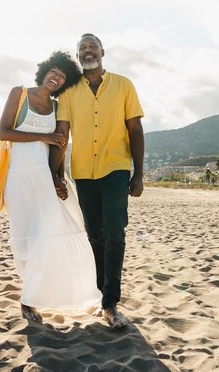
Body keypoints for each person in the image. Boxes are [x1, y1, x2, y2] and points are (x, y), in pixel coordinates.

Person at [49, 34, 145, 329]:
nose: (87, 51)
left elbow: (135, 129)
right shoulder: (68, 92)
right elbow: (62, 135)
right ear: (78, 56)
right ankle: (103, 294)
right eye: (82, 48)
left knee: (115, 231)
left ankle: (110, 303)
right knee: (94, 235)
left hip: (115, 167)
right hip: (83, 171)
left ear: (102, 52)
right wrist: (57, 174)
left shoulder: (124, 85)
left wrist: (138, 173)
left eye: (92, 46)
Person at [0, 51, 101, 322]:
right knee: (24, 239)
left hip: (44, 177)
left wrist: (59, 177)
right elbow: (4, 133)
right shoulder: (19, 94)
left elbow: (60, 145)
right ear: (44, 70)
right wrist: (43, 135)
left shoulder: (57, 108)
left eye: (63, 76)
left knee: (50, 234)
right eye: (54, 71)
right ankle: (28, 297)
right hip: (18, 177)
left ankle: (32, 299)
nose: (56, 78)